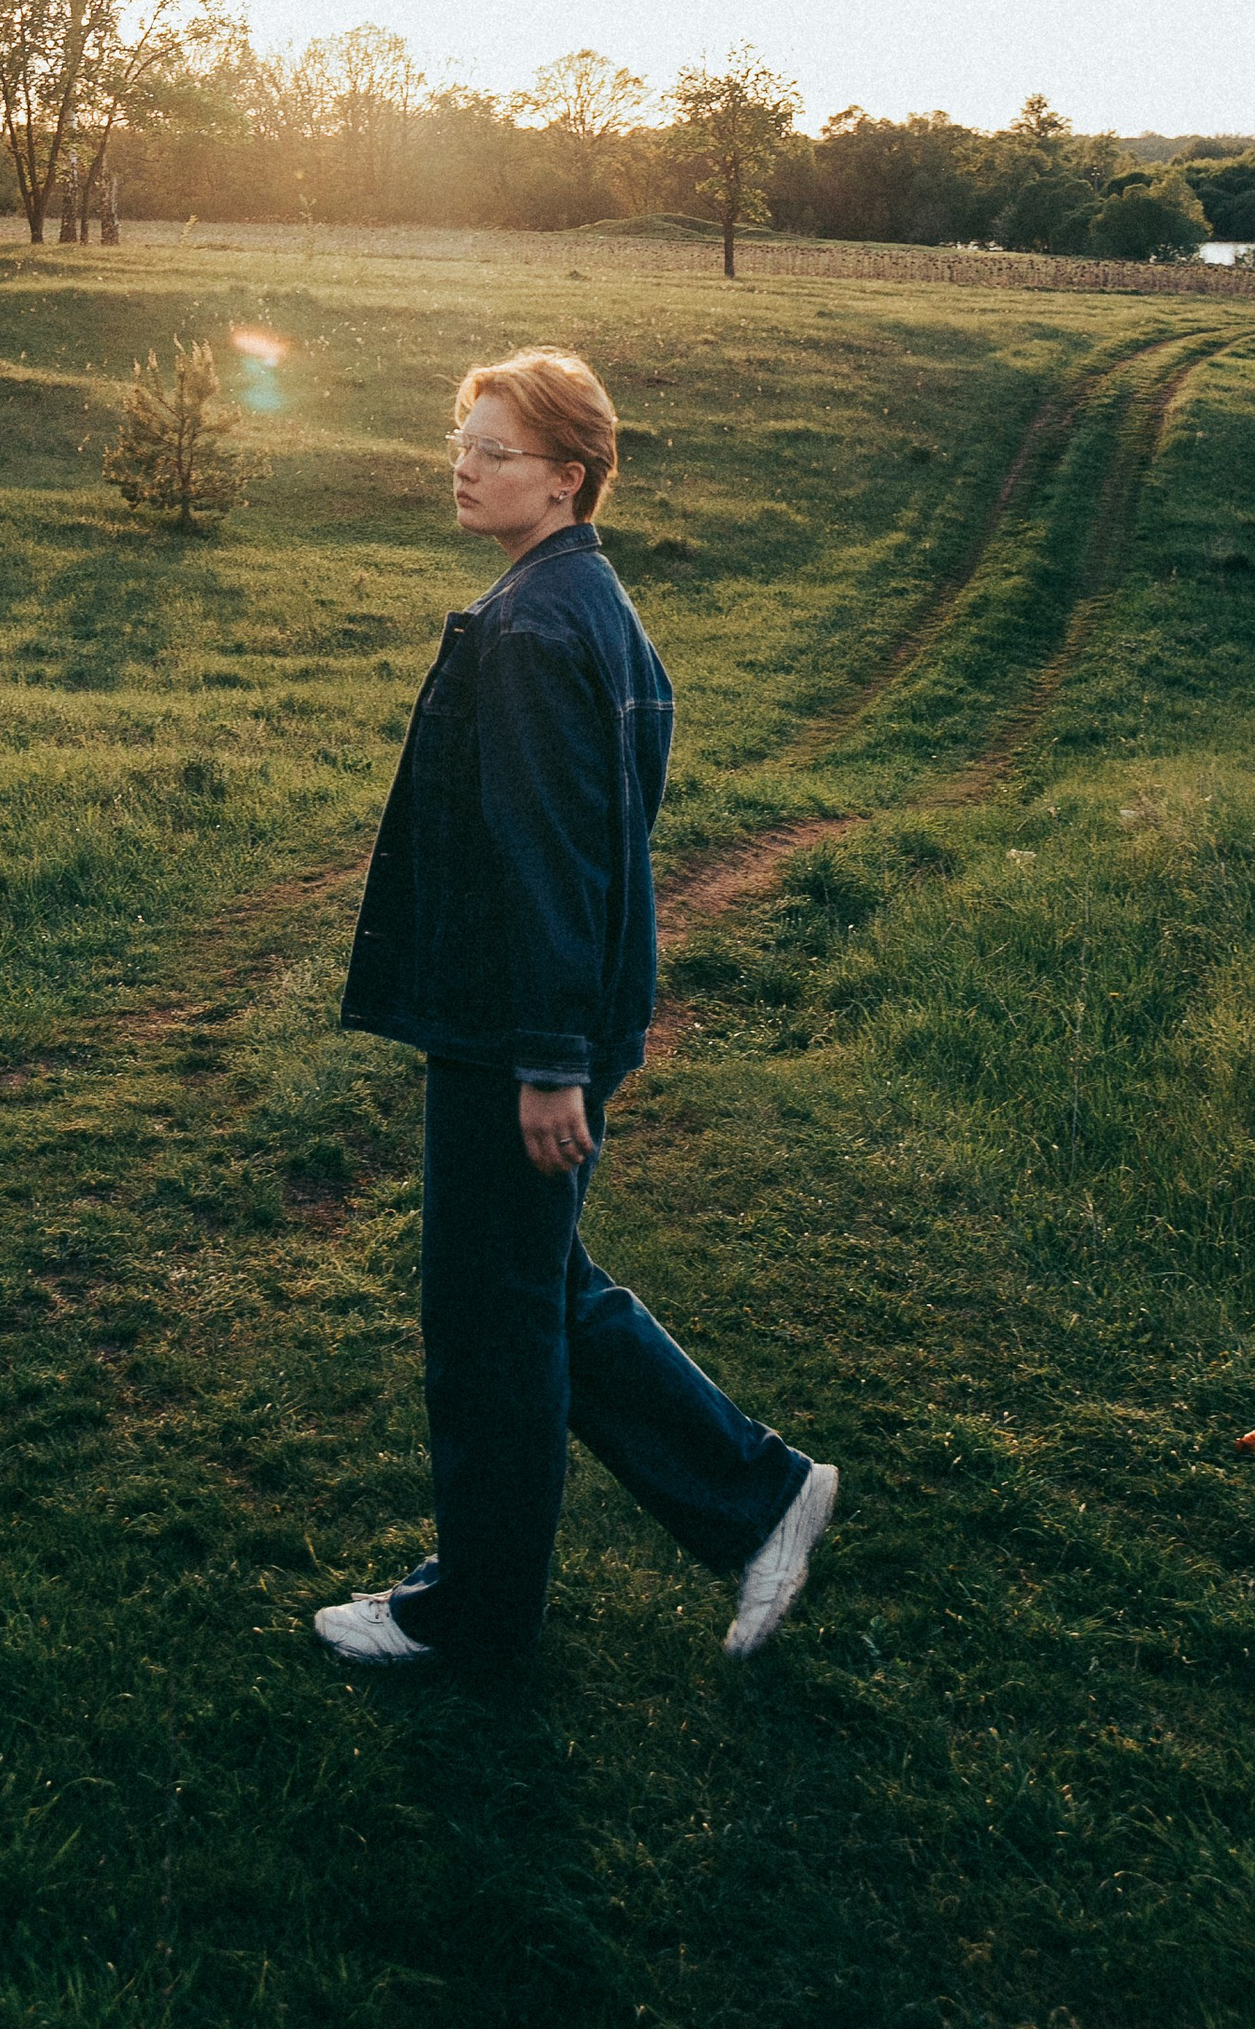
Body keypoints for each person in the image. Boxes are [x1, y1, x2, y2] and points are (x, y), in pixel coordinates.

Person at [315, 344, 837, 1676]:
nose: (464, 465)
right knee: (530, 1288)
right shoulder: (582, 594)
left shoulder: (540, 625)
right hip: (540, 1023)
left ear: (568, 476)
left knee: (488, 1319)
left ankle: (478, 1614)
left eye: (493, 450)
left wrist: (548, 1060)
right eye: (460, 439)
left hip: (515, 1035)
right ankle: (757, 1493)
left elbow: (558, 856)